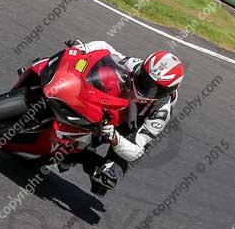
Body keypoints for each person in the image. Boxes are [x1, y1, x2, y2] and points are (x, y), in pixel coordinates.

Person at [41, 40, 185, 196]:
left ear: (166, 92)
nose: (145, 87)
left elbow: (137, 151)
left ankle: (76, 156)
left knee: (106, 177)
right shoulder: (133, 65)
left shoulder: (161, 113)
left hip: (128, 129)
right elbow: (106, 49)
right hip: (115, 105)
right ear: (142, 68)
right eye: (144, 78)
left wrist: (114, 136)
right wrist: (84, 49)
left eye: (154, 89)